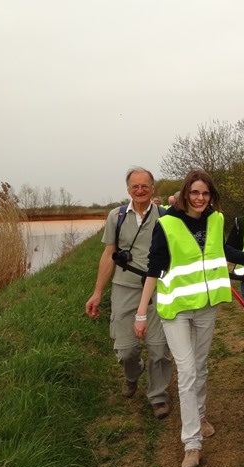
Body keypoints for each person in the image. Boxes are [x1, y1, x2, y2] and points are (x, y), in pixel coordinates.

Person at [134, 169, 244, 467]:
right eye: (195, 192)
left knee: (200, 366)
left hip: (206, 307)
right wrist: (140, 313)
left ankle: (199, 415)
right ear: (186, 193)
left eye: (205, 193)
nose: (200, 198)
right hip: (176, 309)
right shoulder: (167, 224)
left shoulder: (216, 220)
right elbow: (154, 268)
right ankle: (192, 442)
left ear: (211, 196)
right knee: (186, 371)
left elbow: (221, 251)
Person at [85, 167, 172, 420]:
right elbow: (108, 255)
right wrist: (97, 292)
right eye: (135, 186)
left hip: (157, 288)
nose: (140, 190)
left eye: (145, 186)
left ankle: (158, 396)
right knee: (126, 350)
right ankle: (133, 375)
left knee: (158, 348)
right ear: (128, 190)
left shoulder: (166, 217)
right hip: (124, 288)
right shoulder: (117, 216)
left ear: (153, 188)